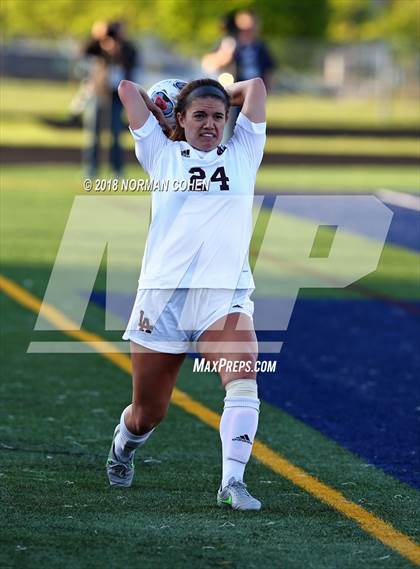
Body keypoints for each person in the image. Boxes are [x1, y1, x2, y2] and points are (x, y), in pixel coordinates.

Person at [106, 74, 267, 511]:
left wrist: (215, 91)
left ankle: (232, 483)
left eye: (218, 115)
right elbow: (125, 89)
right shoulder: (160, 152)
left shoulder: (244, 153)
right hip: (163, 302)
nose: (211, 123)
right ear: (180, 117)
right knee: (148, 413)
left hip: (224, 298)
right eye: (199, 115)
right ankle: (123, 446)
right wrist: (165, 102)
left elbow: (255, 87)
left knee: (243, 379)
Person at [202, 9, 275, 138]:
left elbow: (268, 69)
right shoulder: (229, 42)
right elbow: (207, 63)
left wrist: (265, 92)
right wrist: (225, 54)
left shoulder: (260, 46)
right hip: (234, 93)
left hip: (252, 95)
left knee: (252, 132)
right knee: (229, 129)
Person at [83, 20, 139, 177]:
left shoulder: (128, 48)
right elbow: (84, 51)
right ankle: (91, 169)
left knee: (115, 133)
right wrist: (98, 37)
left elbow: (132, 61)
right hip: (98, 93)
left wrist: (117, 50)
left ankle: (117, 169)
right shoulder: (99, 45)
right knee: (93, 133)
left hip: (116, 96)